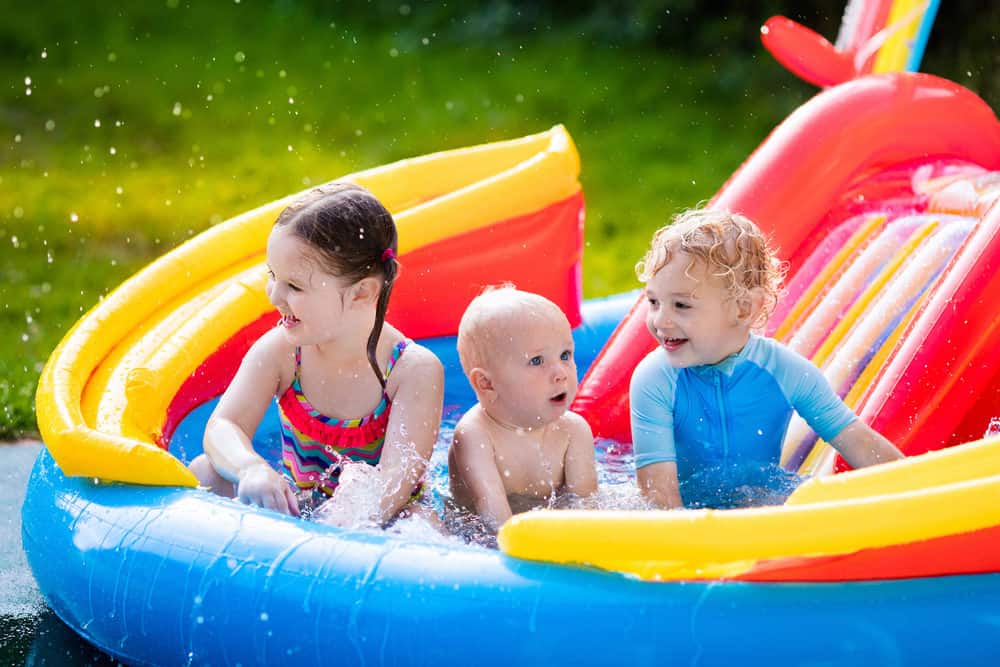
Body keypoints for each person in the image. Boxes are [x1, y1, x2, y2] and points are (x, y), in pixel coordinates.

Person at [189, 183, 444, 525]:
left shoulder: (411, 370)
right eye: (272, 276)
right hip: (303, 510)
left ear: (361, 292)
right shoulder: (281, 352)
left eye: (294, 286)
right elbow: (223, 425)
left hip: (380, 519)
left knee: (421, 522)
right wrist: (251, 468)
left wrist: (346, 519)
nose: (274, 295)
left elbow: (398, 477)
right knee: (207, 472)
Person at [629, 207, 903, 509]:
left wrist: (916, 494)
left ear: (744, 309)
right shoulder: (655, 379)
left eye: (681, 305)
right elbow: (659, 498)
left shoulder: (785, 371)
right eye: (653, 301)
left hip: (758, 510)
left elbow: (860, 444)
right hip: (685, 522)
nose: (660, 320)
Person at [449, 287, 598, 533]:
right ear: (487, 383)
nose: (561, 372)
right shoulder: (475, 435)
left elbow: (587, 512)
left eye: (565, 355)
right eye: (537, 361)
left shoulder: (574, 430)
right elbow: (495, 524)